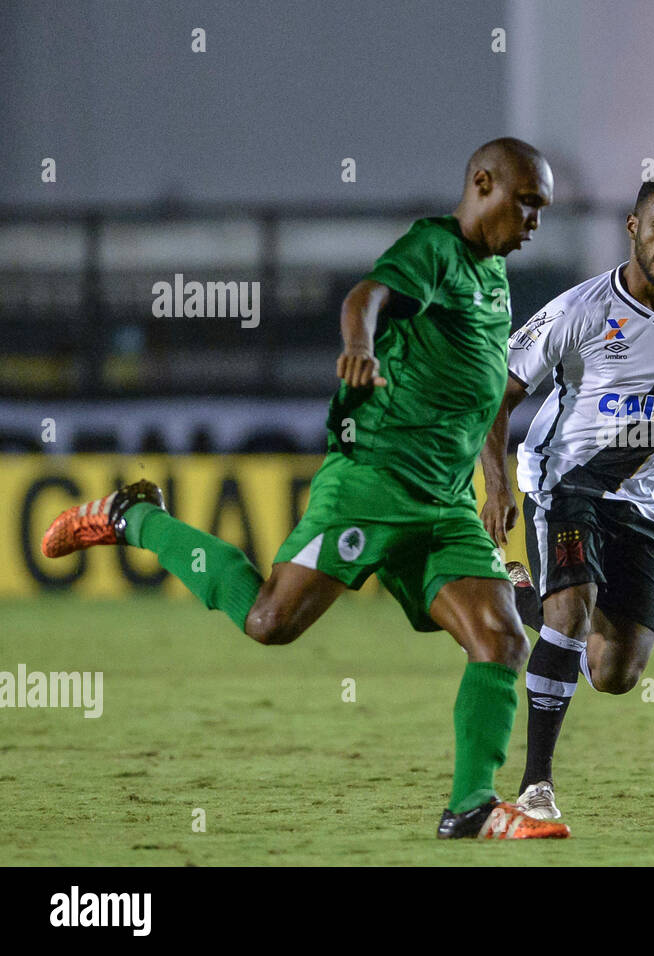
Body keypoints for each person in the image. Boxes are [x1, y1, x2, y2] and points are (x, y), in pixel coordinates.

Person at [40, 138, 571, 840]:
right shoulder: (436, 248)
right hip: (372, 481)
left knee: (501, 638)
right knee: (269, 622)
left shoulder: (496, 276)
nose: (535, 220)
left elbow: (487, 394)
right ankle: (135, 517)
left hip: (442, 502)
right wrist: (358, 346)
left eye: (543, 208)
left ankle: (471, 807)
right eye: (526, 202)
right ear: (482, 183)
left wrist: (494, 479)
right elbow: (367, 296)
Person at [479, 174, 654, 820]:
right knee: (572, 611)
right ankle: (536, 787)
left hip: (648, 506)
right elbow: (500, 393)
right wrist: (497, 484)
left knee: (616, 671)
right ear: (634, 227)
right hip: (569, 482)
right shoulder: (581, 311)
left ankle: (514, 597)